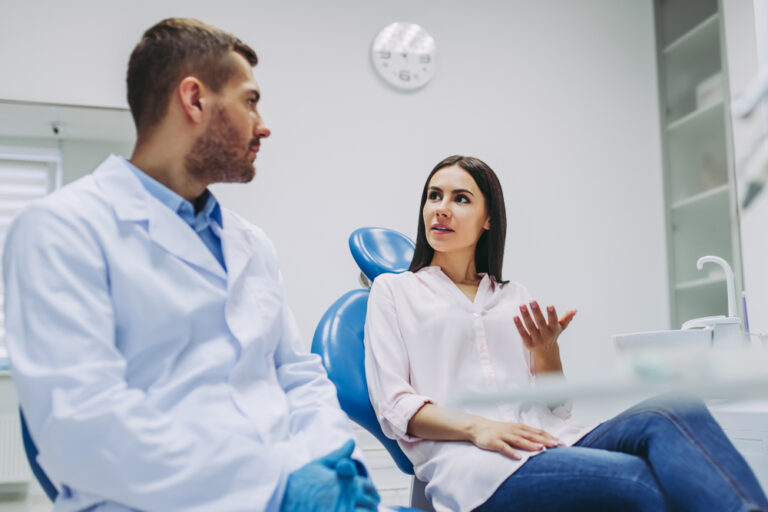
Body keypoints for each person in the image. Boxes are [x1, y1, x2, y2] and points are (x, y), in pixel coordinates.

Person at [3, 18, 379, 512]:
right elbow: (83, 427)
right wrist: (279, 489)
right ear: (195, 99)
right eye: (250, 100)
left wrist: (329, 461)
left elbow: (298, 375)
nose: (263, 124)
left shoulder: (251, 243)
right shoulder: (60, 228)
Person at [363, 154, 768, 512]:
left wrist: (546, 351)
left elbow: (556, 406)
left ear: (488, 219)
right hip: (477, 464)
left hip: (552, 440)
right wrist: (479, 427)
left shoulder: (512, 296)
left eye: (460, 198)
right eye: (434, 196)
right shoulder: (395, 292)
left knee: (677, 409)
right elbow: (394, 406)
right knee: (639, 482)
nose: (441, 209)